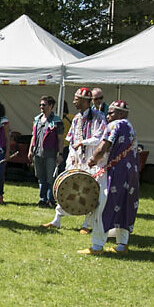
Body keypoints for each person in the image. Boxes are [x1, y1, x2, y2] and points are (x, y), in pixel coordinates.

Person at [78, 100, 140, 255]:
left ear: (120, 113)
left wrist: (93, 160)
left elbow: (103, 146)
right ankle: (122, 245)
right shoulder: (130, 127)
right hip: (131, 175)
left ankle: (97, 246)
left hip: (114, 173)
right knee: (124, 207)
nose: (107, 115)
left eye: (111, 112)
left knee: (103, 207)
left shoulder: (114, 125)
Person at [42, 87, 107, 230]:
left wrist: (83, 143)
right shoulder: (77, 118)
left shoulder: (99, 117)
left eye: (76, 99)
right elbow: (71, 140)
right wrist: (72, 157)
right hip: (76, 160)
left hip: (92, 160)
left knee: (90, 191)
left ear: (85, 101)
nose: (73, 102)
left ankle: (86, 224)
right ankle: (56, 220)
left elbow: (100, 138)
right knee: (68, 187)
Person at [28, 96, 64, 207]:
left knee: (50, 178)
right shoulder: (37, 119)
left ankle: (50, 199)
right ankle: (42, 199)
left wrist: (60, 154)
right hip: (37, 153)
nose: (41, 107)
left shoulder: (57, 121)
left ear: (51, 106)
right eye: (40, 105)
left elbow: (60, 139)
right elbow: (33, 136)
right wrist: (30, 150)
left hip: (51, 153)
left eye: (44, 105)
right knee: (40, 177)